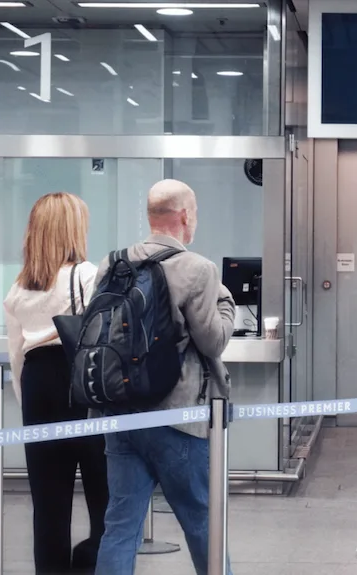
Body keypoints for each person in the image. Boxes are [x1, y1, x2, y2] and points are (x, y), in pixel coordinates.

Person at [94, 179, 236, 575]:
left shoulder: (113, 262)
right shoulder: (198, 268)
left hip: (121, 414)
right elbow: (213, 343)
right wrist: (227, 305)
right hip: (179, 417)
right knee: (203, 519)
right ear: (186, 216)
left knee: (120, 526)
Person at [3, 192, 109, 574]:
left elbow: (16, 356)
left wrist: (29, 401)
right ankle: (90, 564)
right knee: (105, 497)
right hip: (83, 387)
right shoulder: (89, 275)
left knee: (48, 506)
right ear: (72, 230)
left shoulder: (18, 290)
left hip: (38, 388)